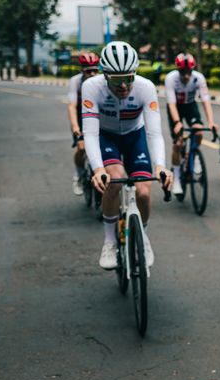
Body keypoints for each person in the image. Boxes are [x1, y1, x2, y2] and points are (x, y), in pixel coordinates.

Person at [82, 41, 172, 269]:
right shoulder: (92, 87)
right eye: (115, 79)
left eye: (128, 78)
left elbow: (154, 133)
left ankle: (144, 236)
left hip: (134, 135)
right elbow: (90, 134)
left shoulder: (145, 87)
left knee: (143, 191)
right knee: (114, 178)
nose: (123, 85)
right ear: (104, 76)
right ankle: (110, 241)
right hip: (106, 135)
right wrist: (98, 169)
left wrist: (160, 165)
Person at [165, 52, 218, 195]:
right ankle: (176, 177)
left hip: (190, 106)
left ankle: (194, 157)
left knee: (199, 131)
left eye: (189, 71)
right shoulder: (171, 79)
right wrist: (177, 123)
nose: (186, 75)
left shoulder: (198, 78)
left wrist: (211, 122)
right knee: (178, 142)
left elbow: (206, 101)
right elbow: (171, 104)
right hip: (176, 107)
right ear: (178, 70)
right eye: (183, 72)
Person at [67, 52, 100, 195]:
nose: (92, 73)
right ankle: (79, 175)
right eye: (88, 71)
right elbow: (72, 106)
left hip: (97, 116)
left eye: (95, 70)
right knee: (81, 148)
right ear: (81, 70)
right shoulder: (76, 82)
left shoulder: (101, 81)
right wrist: (75, 127)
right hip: (80, 117)